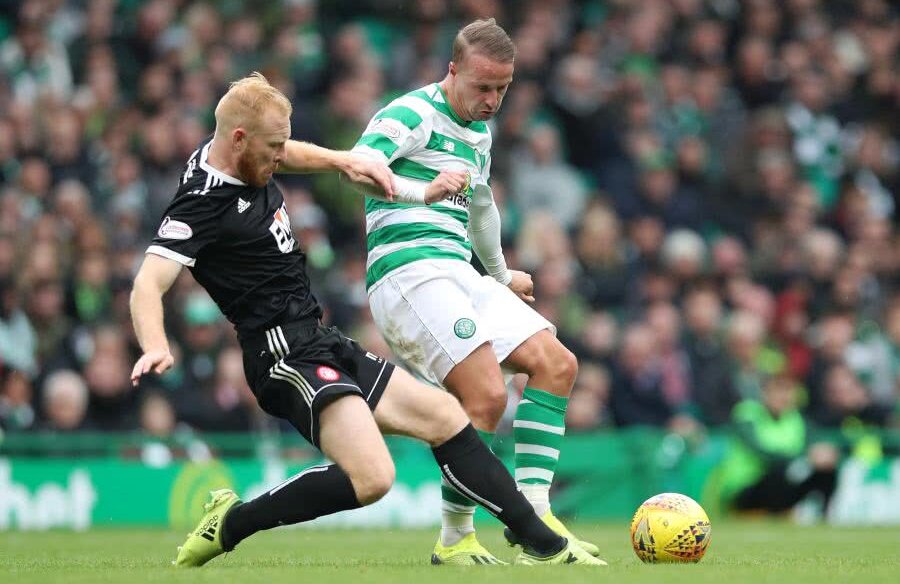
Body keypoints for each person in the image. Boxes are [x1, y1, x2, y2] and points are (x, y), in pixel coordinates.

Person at [129, 72, 604, 567]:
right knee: (373, 478)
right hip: (281, 355)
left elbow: (291, 154)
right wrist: (156, 344)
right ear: (240, 140)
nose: (281, 156)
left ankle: (542, 546)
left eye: (282, 144)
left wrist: (342, 160)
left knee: (446, 418)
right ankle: (233, 522)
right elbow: (148, 283)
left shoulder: (243, 153)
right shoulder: (201, 202)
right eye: (274, 147)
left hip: (317, 337)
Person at [348, 19, 601, 564]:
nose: (491, 100)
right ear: (453, 69)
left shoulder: (479, 135)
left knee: (557, 364)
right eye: (481, 87)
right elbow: (359, 167)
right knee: (484, 396)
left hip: (459, 272)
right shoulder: (409, 113)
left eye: (502, 90)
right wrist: (424, 190)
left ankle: (536, 513)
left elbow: (481, 207)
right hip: (409, 273)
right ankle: (456, 535)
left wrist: (501, 273)